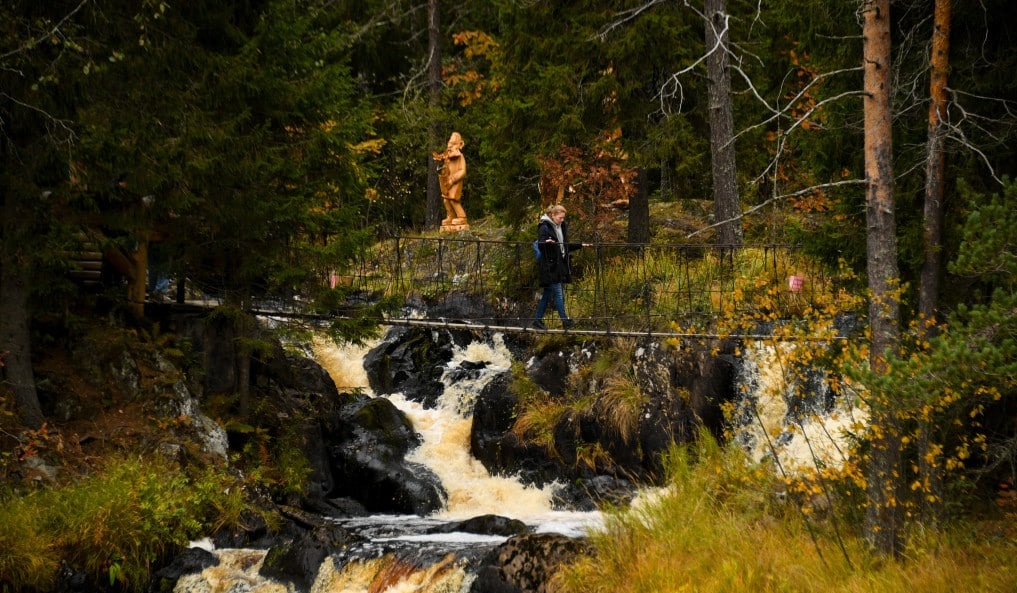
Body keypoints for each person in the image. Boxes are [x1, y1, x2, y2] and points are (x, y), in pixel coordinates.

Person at [533, 204, 590, 330]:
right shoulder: (544, 227)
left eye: (563, 218)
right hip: (549, 266)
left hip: (558, 265)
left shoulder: (561, 227)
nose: (562, 220)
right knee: (558, 293)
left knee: (547, 294)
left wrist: (580, 245)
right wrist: (546, 242)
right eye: (560, 218)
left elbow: (565, 245)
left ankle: (537, 321)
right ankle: (565, 321)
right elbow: (541, 244)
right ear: (553, 215)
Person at [433, 132, 468, 225]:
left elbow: (463, 171)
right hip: (448, 182)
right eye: (449, 144)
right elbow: (445, 168)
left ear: (459, 145)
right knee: (446, 200)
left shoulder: (460, 157)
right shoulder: (448, 158)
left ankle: (461, 217)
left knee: (453, 199)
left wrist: (453, 179)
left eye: (453, 144)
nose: (450, 147)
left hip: (455, 182)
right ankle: (450, 216)